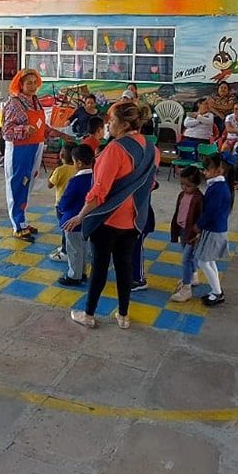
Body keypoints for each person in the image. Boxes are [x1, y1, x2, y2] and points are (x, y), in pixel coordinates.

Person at [61, 102, 158, 329]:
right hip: (134, 220)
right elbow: (150, 184)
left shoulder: (115, 150)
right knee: (125, 268)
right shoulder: (151, 149)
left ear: (124, 124)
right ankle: (123, 316)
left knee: (100, 268)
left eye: (112, 121)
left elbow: (99, 192)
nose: (108, 124)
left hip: (108, 219)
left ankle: (88, 314)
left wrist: (80, 216)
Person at [1, 69, 70, 241]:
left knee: (27, 185)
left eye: (34, 82)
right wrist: (23, 129)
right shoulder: (14, 104)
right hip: (19, 150)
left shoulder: (36, 102)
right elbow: (6, 132)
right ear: (20, 85)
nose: (32, 86)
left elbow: (41, 127)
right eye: (28, 83)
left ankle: (22, 221)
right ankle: (17, 225)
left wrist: (60, 134)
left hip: (36, 147)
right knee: (17, 185)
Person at [195, 154, 235, 307]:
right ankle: (216, 290)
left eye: (208, 169)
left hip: (214, 229)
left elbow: (211, 212)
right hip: (215, 228)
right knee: (208, 261)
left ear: (219, 170)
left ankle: (217, 293)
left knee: (203, 262)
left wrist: (199, 224)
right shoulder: (219, 185)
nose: (205, 172)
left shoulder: (218, 189)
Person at [57, 145, 95, 287]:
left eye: (73, 161)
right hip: (88, 219)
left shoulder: (76, 181)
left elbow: (66, 200)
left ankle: (74, 275)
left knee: (73, 250)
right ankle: (82, 272)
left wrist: (60, 208)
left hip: (72, 220)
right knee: (83, 247)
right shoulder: (95, 177)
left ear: (79, 163)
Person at [167, 167, 206, 303]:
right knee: (189, 257)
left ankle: (186, 289)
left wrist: (198, 233)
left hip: (193, 234)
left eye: (188, 185)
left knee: (185, 260)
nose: (184, 188)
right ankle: (193, 276)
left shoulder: (199, 198)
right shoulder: (182, 195)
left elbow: (202, 217)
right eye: (182, 184)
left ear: (196, 184)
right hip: (183, 230)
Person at [47, 143, 79, 263]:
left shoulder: (59, 170)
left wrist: (53, 171)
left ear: (61, 155)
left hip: (61, 204)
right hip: (75, 204)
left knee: (65, 228)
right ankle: (67, 246)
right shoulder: (77, 168)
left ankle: (65, 251)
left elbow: (49, 185)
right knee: (72, 227)